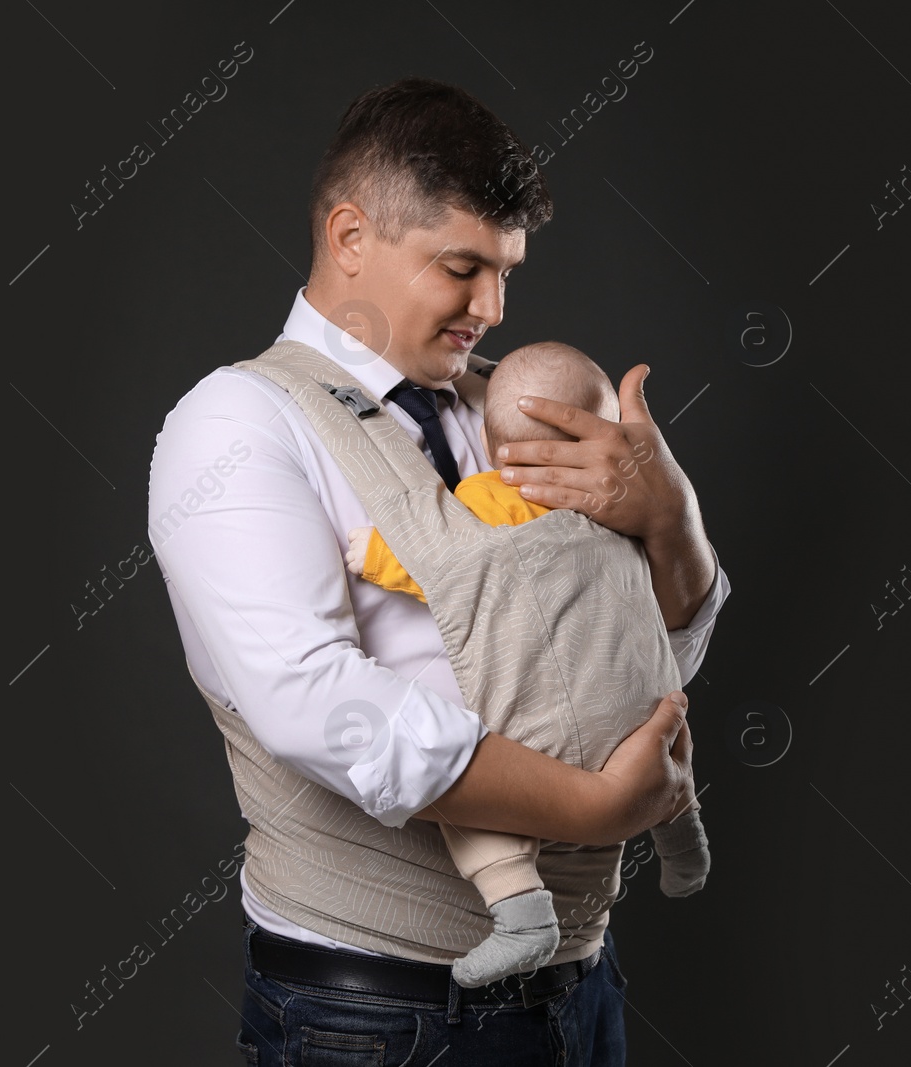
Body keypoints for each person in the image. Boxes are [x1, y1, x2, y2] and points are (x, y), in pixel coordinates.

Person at [147, 77, 730, 1064]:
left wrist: (672, 522)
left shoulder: (519, 404)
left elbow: (638, 644)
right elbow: (311, 698)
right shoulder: (236, 426)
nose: (492, 308)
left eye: (505, 272)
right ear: (349, 237)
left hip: (583, 993)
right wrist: (595, 810)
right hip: (378, 1018)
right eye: (462, 267)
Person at [345, 340, 712, 989]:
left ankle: (520, 912)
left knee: (472, 800)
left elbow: (432, 562)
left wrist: (367, 553)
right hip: (642, 716)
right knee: (672, 761)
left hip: (540, 738)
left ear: (490, 441)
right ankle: (684, 849)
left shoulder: (486, 501)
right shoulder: (620, 506)